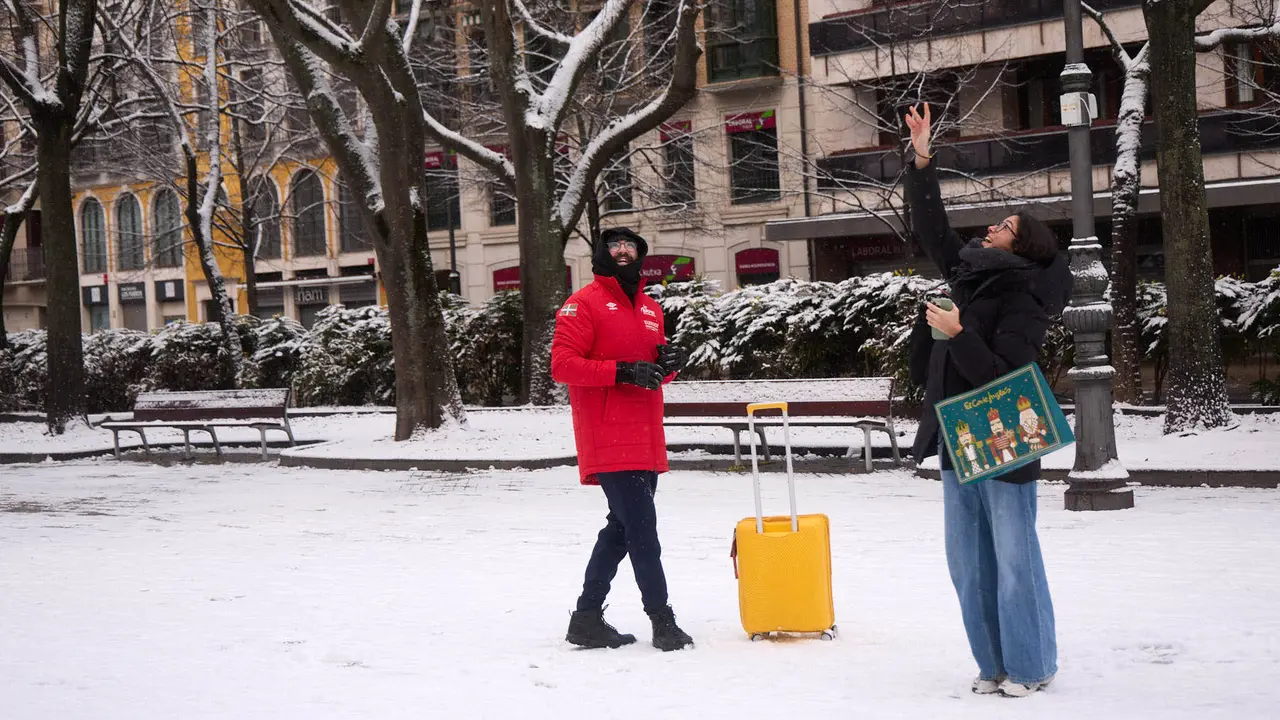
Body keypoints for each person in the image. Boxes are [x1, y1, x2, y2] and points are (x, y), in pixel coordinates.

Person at [903, 103, 1071, 698]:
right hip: (957, 436)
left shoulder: (1024, 296)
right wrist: (923, 158)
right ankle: (992, 663)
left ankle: (1031, 664)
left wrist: (956, 335)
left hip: (1005, 437)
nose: (990, 229)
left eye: (1003, 226)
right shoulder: (969, 275)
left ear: (1023, 247)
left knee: (1013, 558)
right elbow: (933, 229)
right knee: (968, 564)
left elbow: (1005, 373)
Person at [550, 227, 695, 652]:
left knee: (621, 528)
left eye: (631, 245)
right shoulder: (582, 304)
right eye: (614, 245)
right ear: (601, 254)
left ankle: (586, 618)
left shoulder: (650, 307)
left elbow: (652, 370)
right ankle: (662, 621)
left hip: (646, 434)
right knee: (642, 529)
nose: (623, 250)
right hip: (608, 434)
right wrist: (621, 371)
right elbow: (563, 365)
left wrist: (669, 365)